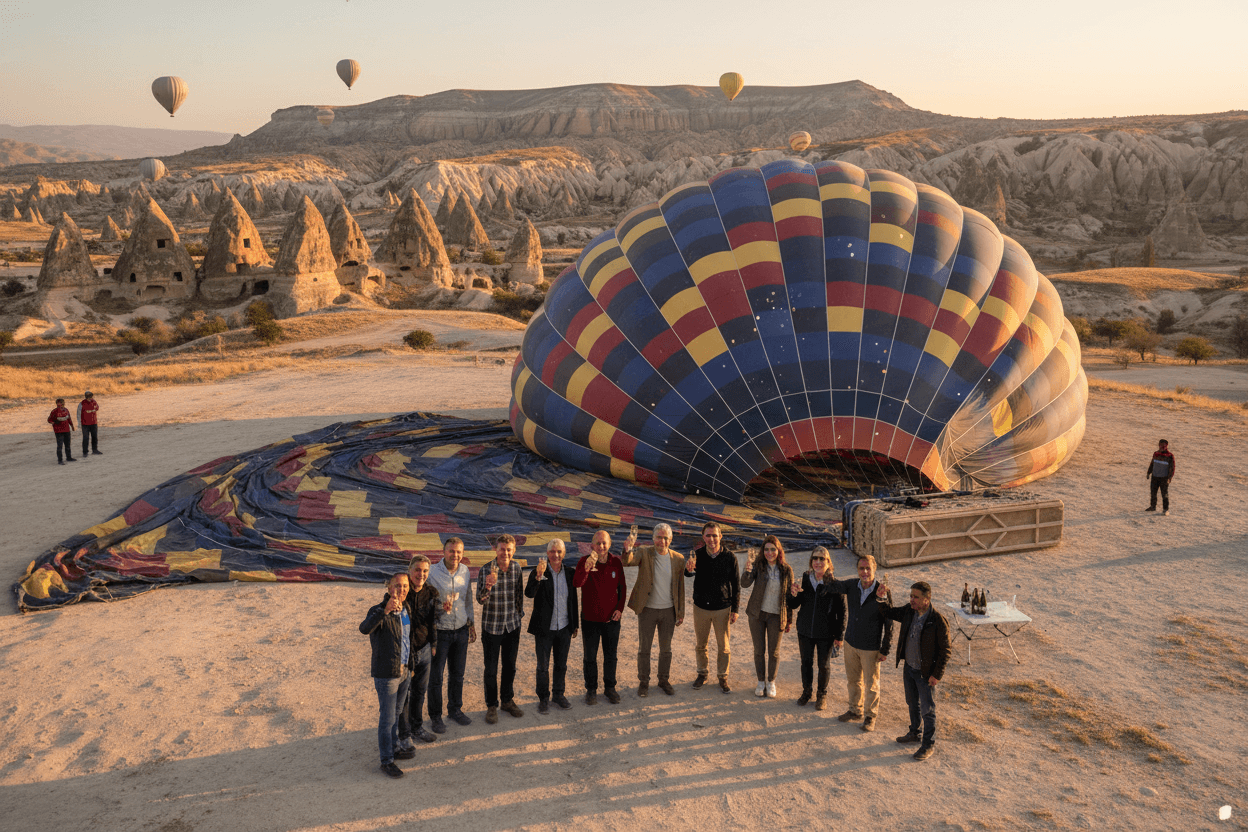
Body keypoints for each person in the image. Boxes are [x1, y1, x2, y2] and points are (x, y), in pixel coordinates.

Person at [876, 580, 952, 761]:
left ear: (927, 599)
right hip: (909, 668)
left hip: (925, 673)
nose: (912, 600)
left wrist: (937, 674)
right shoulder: (909, 612)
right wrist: (882, 596)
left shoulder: (938, 621)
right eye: (911, 596)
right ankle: (914, 733)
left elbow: (945, 651)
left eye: (916, 597)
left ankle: (928, 745)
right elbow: (888, 612)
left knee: (928, 709)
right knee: (912, 702)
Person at [825, 554, 894, 732]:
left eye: (868, 568)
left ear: (874, 569)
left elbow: (889, 621)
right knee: (853, 681)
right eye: (861, 568)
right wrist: (825, 567)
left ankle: (870, 716)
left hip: (871, 646)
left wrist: (885, 648)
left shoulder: (882, 590)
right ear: (857, 570)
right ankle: (855, 710)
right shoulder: (851, 585)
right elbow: (833, 585)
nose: (864, 572)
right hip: (851, 642)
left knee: (871, 684)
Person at [359, 572, 413, 779]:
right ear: (389, 588)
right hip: (387, 673)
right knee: (387, 717)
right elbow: (364, 629)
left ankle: (394, 746)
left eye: (405, 586)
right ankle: (387, 760)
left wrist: (410, 667)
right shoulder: (377, 610)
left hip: (404, 670)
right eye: (397, 586)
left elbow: (407, 641)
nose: (402, 590)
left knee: (397, 712)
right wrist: (384, 610)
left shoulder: (406, 609)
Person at [622, 523, 685, 697]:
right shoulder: (644, 552)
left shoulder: (678, 559)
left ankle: (663, 680)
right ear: (653, 538)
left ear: (670, 540)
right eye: (659, 537)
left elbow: (680, 588)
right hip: (647, 609)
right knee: (644, 649)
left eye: (666, 538)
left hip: (668, 611)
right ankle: (644, 682)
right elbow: (627, 562)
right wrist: (627, 550)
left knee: (666, 649)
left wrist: (680, 613)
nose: (662, 541)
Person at [786, 545, 846, 710]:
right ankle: (807, 692)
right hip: (805, 630)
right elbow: (794, 604)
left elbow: (842, 612)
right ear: (811, 561)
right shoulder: (804, 579)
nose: (818, 562)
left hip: (826, 632)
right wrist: (792, 593)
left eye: (822, 559)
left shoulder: (834, 584)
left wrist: (839, 636)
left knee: (824, 665)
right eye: (815, 558)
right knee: (806, 662)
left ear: (828, 562)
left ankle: (821, 695)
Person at [426, 537, 476, 734]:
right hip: (440, 631)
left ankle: (455, 709)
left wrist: (471, 623)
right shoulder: (431, 573)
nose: (455, 555)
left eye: (459, 552)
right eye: (451, 551)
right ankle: (436, 716)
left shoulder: (464, 571)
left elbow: (467, 599)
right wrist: (439, 607)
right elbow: (425, 602)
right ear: (444, 551)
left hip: (461, 629)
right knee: (436, 677)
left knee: (458, 674)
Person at [684, 522, 739, 693]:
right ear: (703, 537)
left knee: (724, 646)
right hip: (701, 607)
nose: (712, 539)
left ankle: (723, 676)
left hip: (722, 607)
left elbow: (736, 586)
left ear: (720, 536)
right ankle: (702, 673)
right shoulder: (697, 555)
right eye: (708, 535)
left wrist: (735, 609)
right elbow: (688, 574)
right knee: (701, 644)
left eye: (715, 535)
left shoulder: (730, 557)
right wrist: (688, 569)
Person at [525, 539, 578, 713]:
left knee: (561, 664)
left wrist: (575, 624)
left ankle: (558, 694)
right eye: (552, 551)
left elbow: (573, 601)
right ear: (547, 554)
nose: (555, 555)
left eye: (559, 552)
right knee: (543, 666)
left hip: (564, 626)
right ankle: (543, 698)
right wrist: (538, 577)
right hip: (544, 629)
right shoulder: (539, 571)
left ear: (564, 554)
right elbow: (529, 594)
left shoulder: (570, 573)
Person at [477, 534, 525, 724]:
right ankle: (491, 705)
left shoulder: (516, 568)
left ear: (514, 551)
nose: (505, 552)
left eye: (509, 549)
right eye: (502, 549)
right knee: (490, 669)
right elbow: (480, 600)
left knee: (510, 666)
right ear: (495, 550)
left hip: (512, 626)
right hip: (492, 626)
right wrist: (487, 586)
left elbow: (519, 594)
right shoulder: (485, 570)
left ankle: (507, 700)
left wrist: (518, 616)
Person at [574, 530, 626, 705]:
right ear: (592, 546)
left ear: (609, 544)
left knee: (611, 655)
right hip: (590, 620)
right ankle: (591, 689)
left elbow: (623, 588)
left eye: (604, 543)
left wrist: (620, 609)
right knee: (590, 656)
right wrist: (586, 569)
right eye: (598, 543)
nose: (601, 546)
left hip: (611, 620)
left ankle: (610, 688)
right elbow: (577, 583)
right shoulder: (583, 561)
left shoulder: (616, 563)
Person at [395, 555, 440, 752]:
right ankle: (404, 736)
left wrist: (434, 643)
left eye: (424, 571)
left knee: (419, 693)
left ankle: (417, 727)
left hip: (424, 650)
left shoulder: (431, 592)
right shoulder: (401, 592)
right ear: (409, 570)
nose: (420, 574)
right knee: (403, 696)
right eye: (417, 570)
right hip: (405, 654)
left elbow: (433, 621)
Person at [741, 535, 794, 698]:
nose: (770, 553)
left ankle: (771, 681)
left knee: (774, 652)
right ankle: (760, 682)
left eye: (773, 549)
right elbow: (744, 584)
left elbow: (790, 597)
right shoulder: (758, 566)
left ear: (778, 551)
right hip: (757, 614)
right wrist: (747, 570)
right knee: (759, 650)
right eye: (767, 549)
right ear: (763, 551)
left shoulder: (786, 570)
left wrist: (789, 619)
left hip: (777, 615)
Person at [1146, 438, 1176, 515]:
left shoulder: (1170, 456)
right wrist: (1149, 472)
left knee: (1164, 494)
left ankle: (1165, 509)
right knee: (1153, 493)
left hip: (1164, 478)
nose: (1161, 447)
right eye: (1160, 445)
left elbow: (1172, 468)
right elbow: (1152, 463)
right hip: (1155, 477)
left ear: (1166, 446)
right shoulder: (1156, 454)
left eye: (1163, 446)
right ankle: (1153, 506)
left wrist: (1169, 478)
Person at [47, 397, 76, 465]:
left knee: (67, 444)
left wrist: (72, 426)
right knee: (60, 446)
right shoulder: (54, 411)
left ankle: (68, 457)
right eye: (59, 404)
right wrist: (53, 423)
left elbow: (69, 419)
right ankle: (60, 460)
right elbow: (49, 420)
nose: (61, 405)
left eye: (62, 404)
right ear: (57, 404)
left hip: (66, 430)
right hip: (58, 431)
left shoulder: (66, 410)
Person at [78, 391, 101, 456]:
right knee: (85, 438)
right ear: (85, 397)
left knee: (94, 437)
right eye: (88, 397)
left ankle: (95, 450)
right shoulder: (82, 403)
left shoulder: (94, 401)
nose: (89, 398)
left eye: (90, 396)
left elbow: (97, 408)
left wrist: (92, 409)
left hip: (93, 422)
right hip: (85, 424)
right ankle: (85, 452)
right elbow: (78, 414)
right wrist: (79, 423)